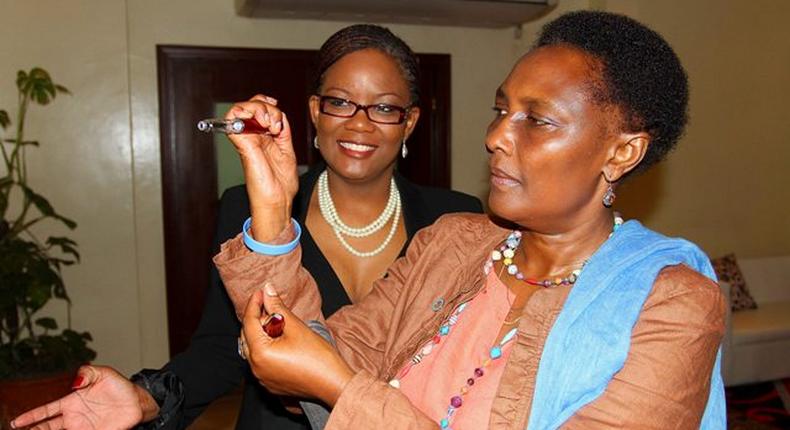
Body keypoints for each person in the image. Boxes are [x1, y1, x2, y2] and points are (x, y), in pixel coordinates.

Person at [217, 11, 726, 429]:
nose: (497, 136)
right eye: (500, 111)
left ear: (621, 153)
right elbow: (313, 354)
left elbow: (329, 378)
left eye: (537, 120)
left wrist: (340, 389)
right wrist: (272, 206)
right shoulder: (452, 242)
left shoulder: (672, 304)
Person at [10, 25, 482, 430]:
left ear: (410, 122)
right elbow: (220, 348)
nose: (359, 124)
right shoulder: (250, 207)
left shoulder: (457, 221)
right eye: (340, 102)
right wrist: (144, 396)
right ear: (315, 111)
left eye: (383, 108)